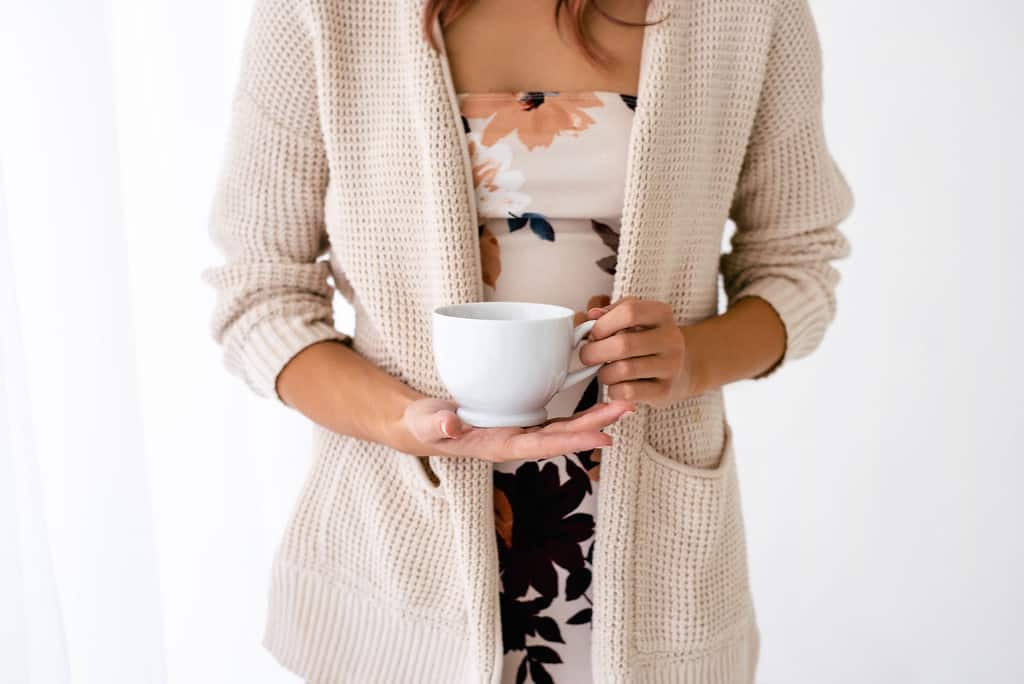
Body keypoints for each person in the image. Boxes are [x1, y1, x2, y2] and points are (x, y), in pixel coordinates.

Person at [203, 0, 853, 682]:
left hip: (653, 563)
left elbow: (795, 263)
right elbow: (260, 297)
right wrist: (405, 422)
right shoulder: (323, 11)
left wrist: (692, 360)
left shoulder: (747, 13)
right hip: (399, 554)